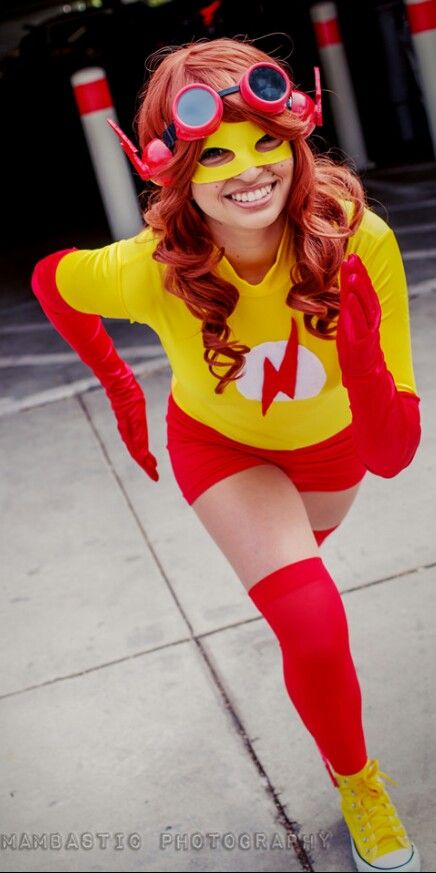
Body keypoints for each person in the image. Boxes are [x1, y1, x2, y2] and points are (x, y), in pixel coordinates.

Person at [31, 37, 422, 873]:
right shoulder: (151, 268)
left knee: (299, 605)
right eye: (214, 152)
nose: (249, 170)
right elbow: (51, 279)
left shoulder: (362, 240)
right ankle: (359, 782)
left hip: (332, 456)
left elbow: (392, 456)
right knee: (312, 620)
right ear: (174, 168)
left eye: (265, 140)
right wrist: (123, 393)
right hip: (219, 449)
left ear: (295, 135)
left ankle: (329, 719)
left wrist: (362, 362)